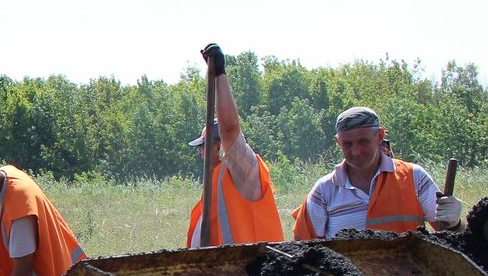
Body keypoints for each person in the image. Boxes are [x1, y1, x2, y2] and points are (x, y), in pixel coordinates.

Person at [293, 106, 463, 239]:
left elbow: (453, 241)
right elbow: (303, 251)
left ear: (380, 136)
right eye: (347, 144)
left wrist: (455, 223)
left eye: (363, 141)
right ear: (338, 142)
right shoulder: (323, 191)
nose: (356, 151)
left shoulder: (414, 177)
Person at [186, 43, 283, 247]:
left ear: (217, 146)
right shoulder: (215, 180)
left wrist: (220, 74)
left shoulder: (243, 171)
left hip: (252, 274)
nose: (200, 153)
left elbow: (229, 128)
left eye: (203, 146)